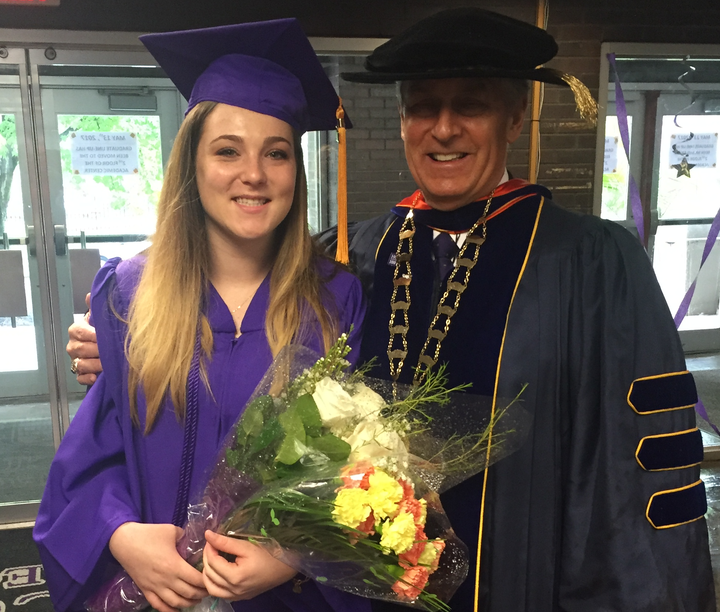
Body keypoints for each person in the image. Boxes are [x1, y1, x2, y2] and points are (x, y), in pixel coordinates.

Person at [66, 8, 716, 612]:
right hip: (354, 590)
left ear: (515, 119)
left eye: (472, 107)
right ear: (402, 120)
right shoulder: (361, 259)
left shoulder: (593, 263)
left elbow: (641, 467)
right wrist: (122, 350)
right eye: (423, 106)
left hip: (525, 580)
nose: (443, 128)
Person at [36, 19, 369, 612]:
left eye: (276, 153)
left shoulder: (336, 299)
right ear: (191, 163)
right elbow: (95, 450)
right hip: (161, 595)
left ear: (296, 169)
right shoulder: (130, 295)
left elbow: (360, 464)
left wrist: (293, 554)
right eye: (227, 151)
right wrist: (120, 534)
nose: (254, 175)